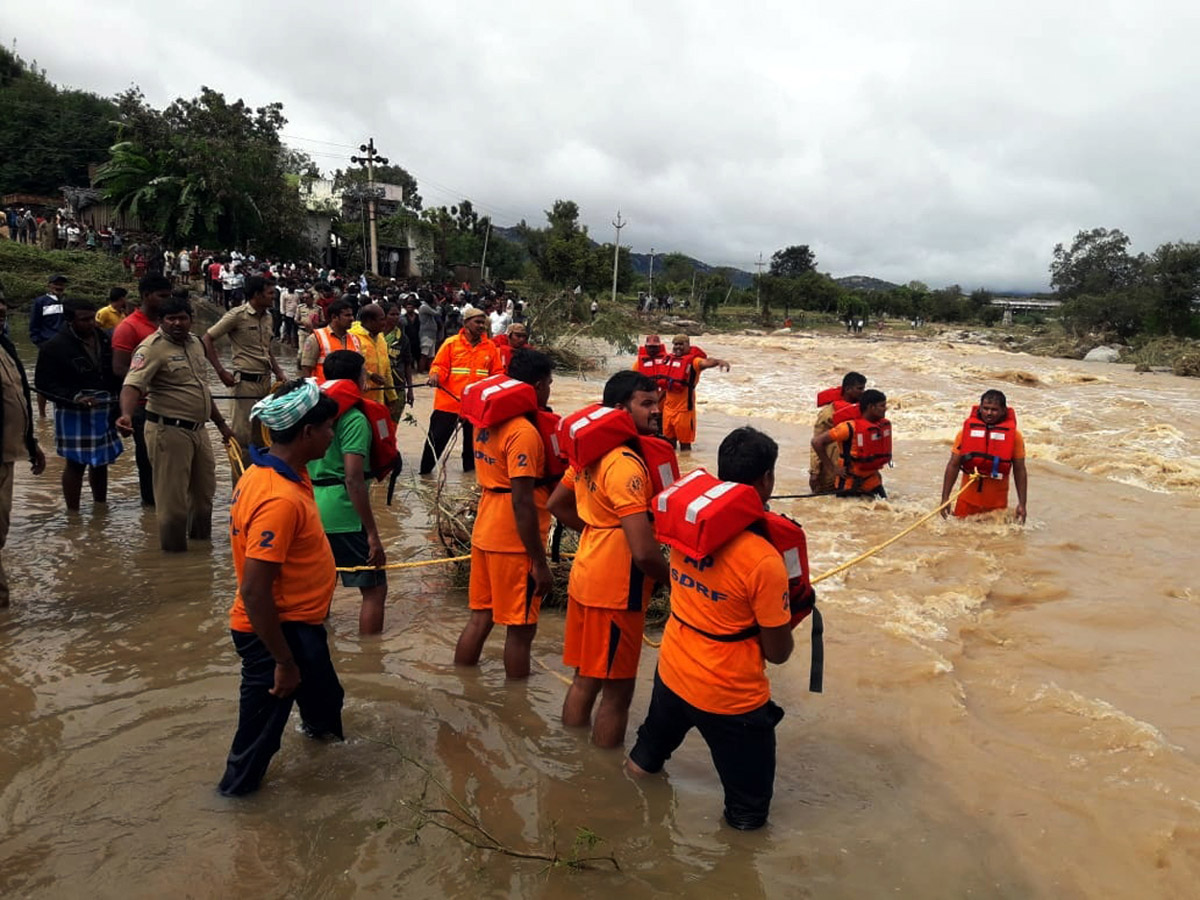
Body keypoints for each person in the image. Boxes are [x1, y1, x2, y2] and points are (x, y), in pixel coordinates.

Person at [627, 426, 794, 830]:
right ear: (766, 480)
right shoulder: (763, 559)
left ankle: (624, 817)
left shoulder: (687, 531)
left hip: (673, 672)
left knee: (643, 761)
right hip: (730, 696)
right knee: (748, 816)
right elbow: (778, 652)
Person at [216, 380, 344, 796]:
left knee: (325, 705)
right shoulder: (278, 498)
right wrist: (284, 662)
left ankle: (326, 760)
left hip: (300, 625)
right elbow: (255, 591)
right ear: (307, 432)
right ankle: (236, 804)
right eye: (328, 428)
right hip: (275, 633)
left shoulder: (271, 472)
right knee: (258, 739)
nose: (332, 436)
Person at [547, 371, 673, 748]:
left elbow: (557, 504)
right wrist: (677, 583)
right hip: (617, 590)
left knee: (585, 676)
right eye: (646, 404)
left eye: (657, 403)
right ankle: (601, 780)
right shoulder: (625, 464)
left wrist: (597, 528)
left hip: (586, 573)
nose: (656, 412)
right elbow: (644, 552)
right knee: (618, 691)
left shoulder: (590, 452)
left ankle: (570, 755)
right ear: (620, 410)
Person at [454, 350, 556, 678]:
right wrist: (540, 563)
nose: (550, 391)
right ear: (538, 386)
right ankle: (518, 708)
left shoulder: (486, 421)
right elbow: (522, 502)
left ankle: (462, 682)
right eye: (550, 384)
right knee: (521, 630)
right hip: (514, 541)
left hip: (485, 528)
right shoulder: (523, 431)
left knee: (480, 617)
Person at [116, 296, 234, 551]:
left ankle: (201, 555)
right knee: (173, 503)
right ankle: (173, 560)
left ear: (191, 319)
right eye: (171, 319)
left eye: (182, 318)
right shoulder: (151, 348)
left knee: (204, 497)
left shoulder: (196, 344)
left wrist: (222, 425)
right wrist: (125, 415)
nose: (177, 323)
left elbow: (202, 389)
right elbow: (132, 384)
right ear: (161, 321)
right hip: (167, 430)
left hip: (199, 430)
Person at [306, 350, 389, 633]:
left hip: (311, 509)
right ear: (359, 379)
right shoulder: (354, 419)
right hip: (344, 515)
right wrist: (372, 534)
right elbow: (354, 478)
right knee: (374, 588)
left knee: (321, 586)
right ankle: (370, 660)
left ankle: (321, 647)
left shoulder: (313, 414)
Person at [34, 301, 123, 511]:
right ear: (70, 320)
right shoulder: (54, 347)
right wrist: (73, 397)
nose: (91, 323)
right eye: (84, 320)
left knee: (101, 461)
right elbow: (44, 384)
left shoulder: (104, 338)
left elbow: (114, 372)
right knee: (75, 463)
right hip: (73, 409)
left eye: (92, 318)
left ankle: (100, 507)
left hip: (104, 406)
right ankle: (73, 513)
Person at [202, 275, 286, 451]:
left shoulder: (269, 317)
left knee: (263, 437)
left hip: (266, 382)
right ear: (257, 294)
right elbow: (207, 338)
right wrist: (220, 371)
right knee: (242, 438)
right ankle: (240, 478)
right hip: (244, 384)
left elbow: (267, 348)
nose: (274, 297)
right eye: (270, 293)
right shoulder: (237, 316)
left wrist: (279, 372)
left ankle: (258, 478)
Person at [0, 291, 46, 606]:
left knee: (0, 528)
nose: (2, 310)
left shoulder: (5, 347)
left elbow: (20, 399)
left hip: (8, 454)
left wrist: (31, 443)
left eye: (2, 306)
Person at [420, 305, 502, 475]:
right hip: (448, 403)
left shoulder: (491, 347)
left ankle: (469, 481)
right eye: (478, 322)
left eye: (483, 323)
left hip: (476, 408)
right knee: (435, 443)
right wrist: (435, 375)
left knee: (472, 449)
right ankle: (424, 475)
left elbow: (497, 374)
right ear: (466, 323)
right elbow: (439, 366)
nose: (481, 326)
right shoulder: (451, 344)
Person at [112, 273, 170, 506]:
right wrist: (150, 384)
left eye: (169, 295)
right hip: (143, 406)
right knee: (148, 461)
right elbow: (119, 368)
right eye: (162, 296)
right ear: (146, 296)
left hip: (170, 404)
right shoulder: (129, 327)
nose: (167, 300)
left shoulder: (167, 323)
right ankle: (150, 510)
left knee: (170, 460)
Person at [940, 389, 1028, 523]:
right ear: (980, 408)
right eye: (986, 408)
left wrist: (1022, 504)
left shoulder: (1015, 437)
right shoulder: (964, 433)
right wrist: (945, 498)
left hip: (996, 507)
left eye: (994, 409)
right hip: (966, 502)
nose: (989, 413)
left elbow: (1020, 470)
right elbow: (953, 464)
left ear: (1004, 411)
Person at [811, 388, 891, 499]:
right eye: (882, 406)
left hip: (873, 481)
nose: (885, 409)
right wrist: (833, 469)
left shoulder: (879, 426)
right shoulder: (848, 427)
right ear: (871, 407)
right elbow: (817, 442)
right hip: (849, 484)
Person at [661, 335, 730, 451]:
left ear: (688, 345)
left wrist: (718, 362)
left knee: (685, 447)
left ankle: (686, 465)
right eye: (676, 344)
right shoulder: (669, 360)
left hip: (684, 412)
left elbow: (706, 363)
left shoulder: (694, 361)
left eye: (681, 344)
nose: (678, 347)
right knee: (669, 445)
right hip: (668, 410)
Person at [810, 372, 867, 494]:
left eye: (864, 388)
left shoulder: (860, 410)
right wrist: (815, 472)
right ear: (847, 389)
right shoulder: (828, 413)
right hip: (832, 469)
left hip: (851, 469)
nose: (863, 392)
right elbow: (816, 443)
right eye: (859, 389)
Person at [29, 274, 71, 418]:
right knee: (43, 381)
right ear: (49, 285)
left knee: (65, 380)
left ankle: (61, 411)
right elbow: (34, 327)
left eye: (62, 284)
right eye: (56, 284)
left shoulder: (68, 303)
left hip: (66, 346)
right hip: (47, 346)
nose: (59, 286)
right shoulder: (40, 302)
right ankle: (42, 415)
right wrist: (40, 343)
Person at [348, 304, 397, 408]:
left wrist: (392, 397)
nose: (385, 323)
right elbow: (348, 367)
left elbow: (386, 370)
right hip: (358, 401)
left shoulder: (381, 338)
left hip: (378, 401)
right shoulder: (352, 337)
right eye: (381, 319)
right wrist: (369, 375)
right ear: (369, 321)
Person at [299, 299, 360, 382]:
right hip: (324, 391)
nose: (352, 319)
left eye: (352, 315)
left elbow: (360, 367)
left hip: (348, 391)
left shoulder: (355, 339)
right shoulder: (316, 338)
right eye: (347, 315)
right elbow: (306, 368)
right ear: (334, 317)